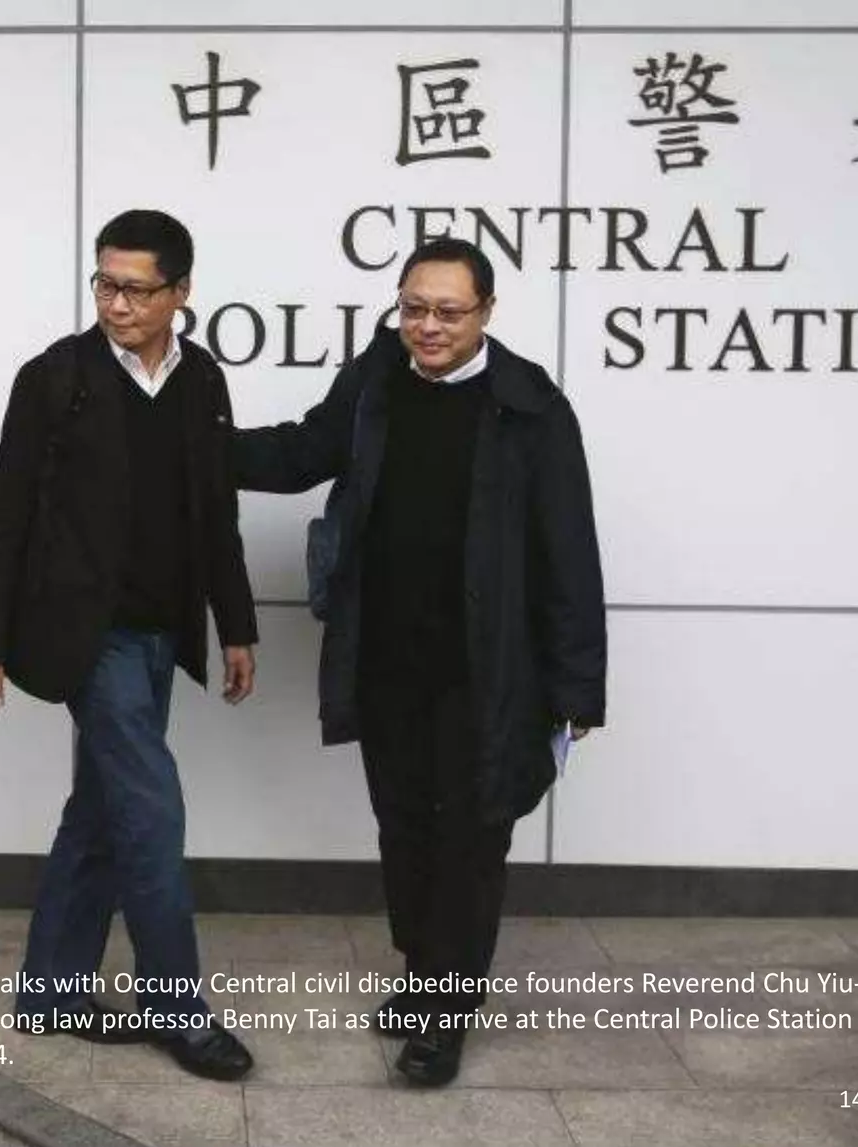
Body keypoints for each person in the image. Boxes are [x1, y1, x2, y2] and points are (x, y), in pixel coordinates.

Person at [231, 236, 606, 1087]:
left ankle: (445, 1011)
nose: (427, 327)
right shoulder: (374, 384)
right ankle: (421, 971)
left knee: (472, 838)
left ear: (486, 313)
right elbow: (301, 452)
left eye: (448, 311)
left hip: (489, 670)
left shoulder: (530, 408)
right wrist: (200, 445)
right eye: (413, 308)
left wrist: (578, 685)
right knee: (404, 826)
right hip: (387, 658)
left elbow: (569, 550)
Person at [0, 209, 259, 1082]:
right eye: (104, 284)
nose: (116, 303)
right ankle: (180, 1010)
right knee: (152, 811)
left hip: (165, 632)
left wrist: (233, 624)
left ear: (181, 292)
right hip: (91, 638)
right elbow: (5, 513)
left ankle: (51, 990)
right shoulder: (56, 377)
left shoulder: (202, 380)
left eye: (134, 288)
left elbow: (217, 516)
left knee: (102, 808)